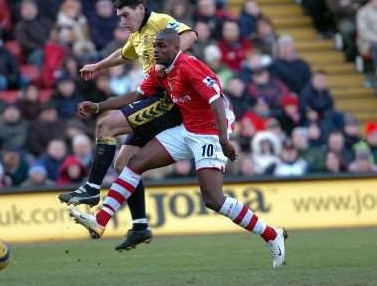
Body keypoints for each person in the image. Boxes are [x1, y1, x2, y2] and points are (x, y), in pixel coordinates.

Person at [68, 29, 287, 268]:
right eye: (155, 47)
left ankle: (271, 234)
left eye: (161, 46)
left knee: (213, 199)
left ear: (175, 48)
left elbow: (216, 100)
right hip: (187, 129)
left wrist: (224, 141)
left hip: (211, 132)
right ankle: (100, 219)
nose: (156, 51)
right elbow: (135, 95)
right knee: (135, 163)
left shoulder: (189, 66)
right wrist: (99, 107)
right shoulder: (159, 71)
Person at [59, 0, 197, 251]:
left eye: (125, 15)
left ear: (140, 8)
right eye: (119, 17)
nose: (122, 21)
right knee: (123, 165)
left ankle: (91, 187)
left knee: (106, 125)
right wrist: (97, 66)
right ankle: (140, 226)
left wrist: (170, 57)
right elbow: (123, 54)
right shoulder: (137, 35)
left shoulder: (158, 21)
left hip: (167, 99)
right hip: (152, 98)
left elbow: (190, 34)